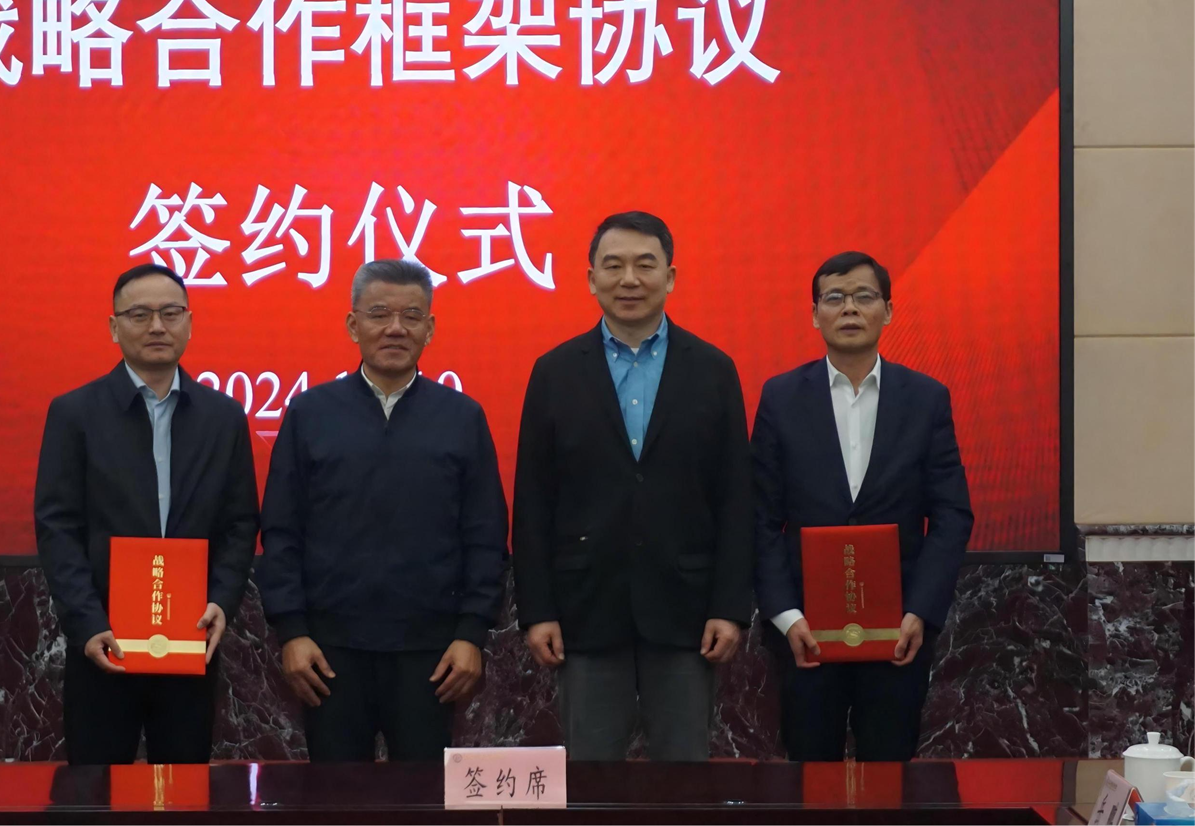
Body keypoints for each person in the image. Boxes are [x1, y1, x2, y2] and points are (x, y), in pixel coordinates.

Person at [512, 211, 753, 761]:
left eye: (645, 265)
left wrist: (730, 607)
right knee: (591, 779)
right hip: (585, 611)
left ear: (670, 277)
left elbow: (736, 498)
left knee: (684, 778)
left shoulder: (713, 369)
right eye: (613, 265)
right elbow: (533, 503)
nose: (629, 280)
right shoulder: (554, 372)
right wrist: (538, 611)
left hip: (688, 614)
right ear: (590, 278)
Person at [257, 259, 509, 762]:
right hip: (328, 653)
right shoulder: (310, 413)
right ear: (353, 325)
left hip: (432, 654)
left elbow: (485, 535)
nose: (395, 328)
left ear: (429, 329)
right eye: (379, 314)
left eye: (411, 316)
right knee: (336, 795)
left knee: (424, 795)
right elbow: (282, 531)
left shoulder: (461, 417)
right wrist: (293, 632)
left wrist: (471, 635)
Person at [752, 251, 974, 761]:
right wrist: (786, 616)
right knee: (809, 776)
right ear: (815, 314)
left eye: (864, 296)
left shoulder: (926, 398)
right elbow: (760, 517)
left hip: (898, 633)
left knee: (890, 775)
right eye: (834, 297)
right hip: (805, 633)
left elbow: (951, 514)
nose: (849, 308)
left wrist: (921, 611)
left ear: (888, 311)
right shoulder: (781, 398)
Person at [34, 263, 259, 765]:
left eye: (170, 313)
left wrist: (221, 601)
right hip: (103, 641)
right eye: (140, 315)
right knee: (95, 791)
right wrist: (87, 621)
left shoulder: (223, 417)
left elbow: (240, 522)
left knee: (183, 790)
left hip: (191, 640)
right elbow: (57, 526)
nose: (157, 326)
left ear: (189, 323)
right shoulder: (75, 413)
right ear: (114, 327)